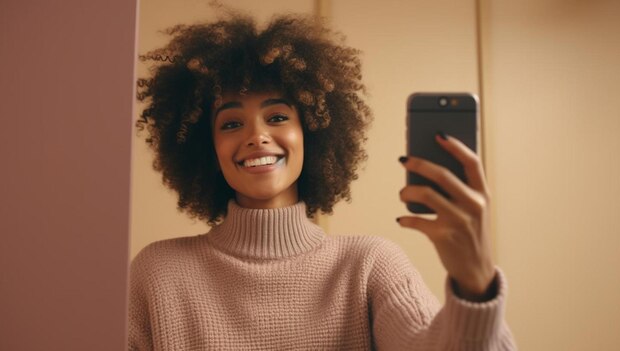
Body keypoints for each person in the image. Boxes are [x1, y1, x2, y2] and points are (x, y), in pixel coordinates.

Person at [129, 12, 516, 350]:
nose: (256, 136)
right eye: (231, 123)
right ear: (205, 147)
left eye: (278, 117)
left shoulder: (368, 266)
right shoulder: (157, 273)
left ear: (312, 133)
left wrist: (475, 286)